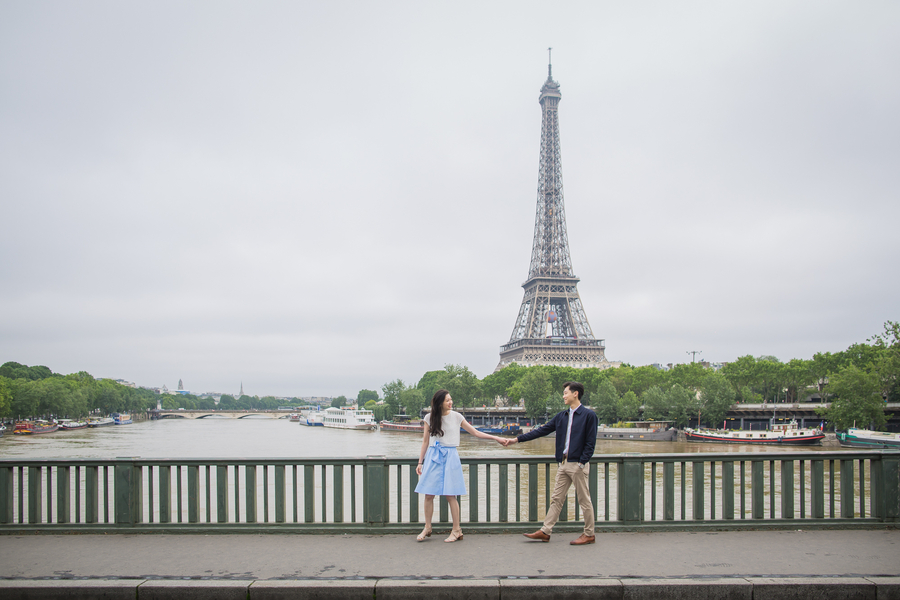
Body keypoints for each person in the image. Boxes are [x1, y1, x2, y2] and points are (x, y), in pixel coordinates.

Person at [505, 381, 598, 545]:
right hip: (563, 464)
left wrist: (582, 463)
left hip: (577, 464)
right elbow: (541, 431)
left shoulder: (589, 416)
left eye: (566, 393)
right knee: (556, 499)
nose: (563, 396)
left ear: (575, 394)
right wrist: (516, 440)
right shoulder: (562, 416)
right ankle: (545, 531)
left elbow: (590, 443)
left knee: (584, 500)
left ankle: (589, 534)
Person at [415, 389, 507, 543]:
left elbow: (475, 433)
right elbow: (425, 441)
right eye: (447, 400)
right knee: (428, 494)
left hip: (450, 456)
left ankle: (457, 530)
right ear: (439, 403)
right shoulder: (429, 418)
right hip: (433, 456)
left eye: (451, 399)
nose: (451, 403)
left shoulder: (457, 417)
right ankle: (428, 527)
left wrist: (495, 437)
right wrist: (420, 462)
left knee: (451, 495)